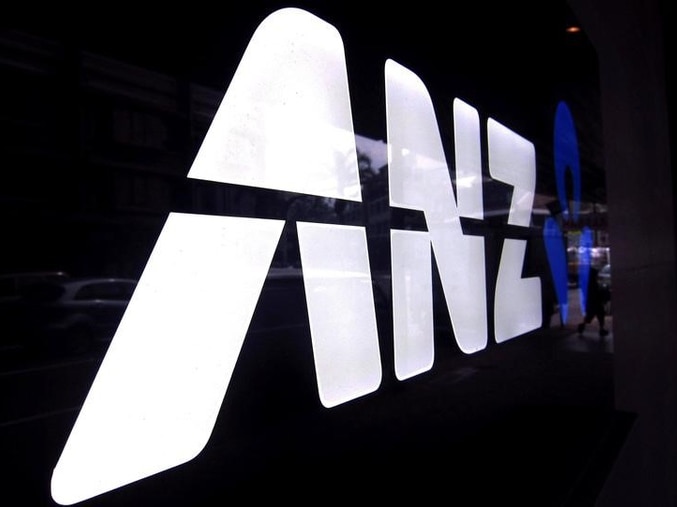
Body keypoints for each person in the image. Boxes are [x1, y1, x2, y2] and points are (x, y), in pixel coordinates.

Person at [577, 266, 611, 337]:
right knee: (596, 316)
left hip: (593, 303)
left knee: (595, 316)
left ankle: (599, 329)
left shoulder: (589, 282)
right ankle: (583, 327)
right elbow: (595, 293)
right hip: (594, 302)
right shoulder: (592, 283)